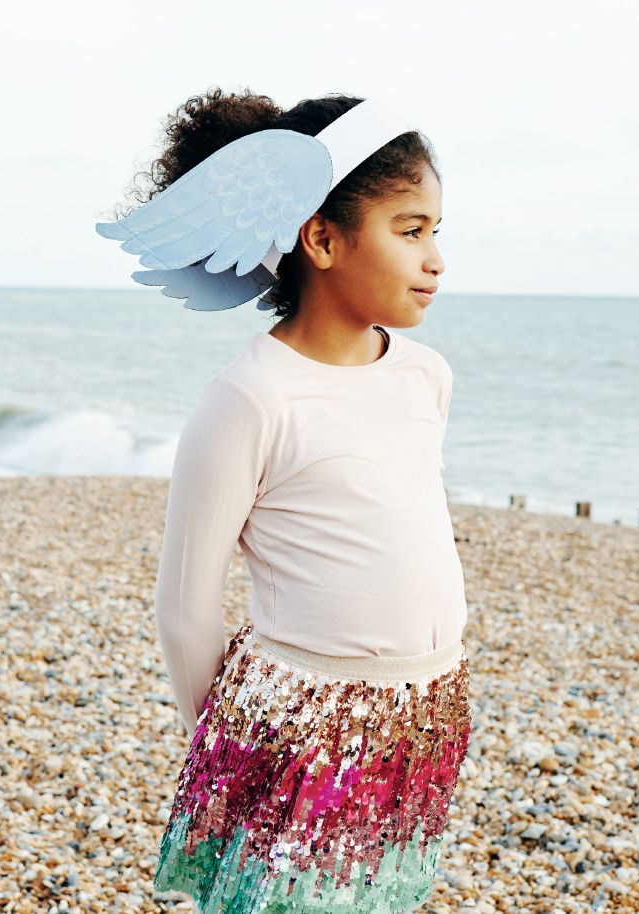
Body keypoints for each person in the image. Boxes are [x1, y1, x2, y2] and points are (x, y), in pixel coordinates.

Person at [110, 88, 470, 914]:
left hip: (425, 713)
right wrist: (234, 749)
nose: (435, 259)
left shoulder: (425, 375)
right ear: (322, 238)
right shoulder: (251, 398)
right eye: (410, 231)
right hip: (296, 728)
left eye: (435, 234)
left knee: (378, 897)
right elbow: (185, 605)